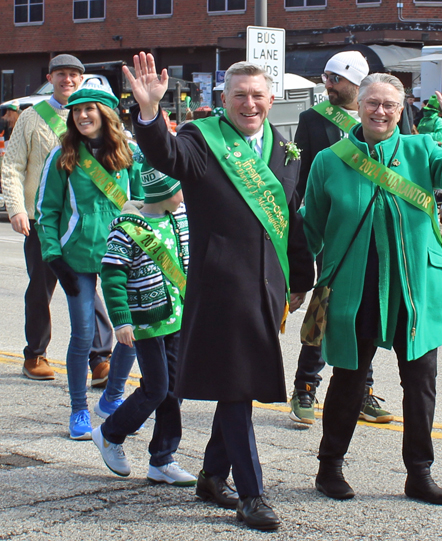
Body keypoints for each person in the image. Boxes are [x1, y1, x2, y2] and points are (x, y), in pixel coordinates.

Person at [126, 52, 314, 531]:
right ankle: (252, 495)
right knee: (237, 387)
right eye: (239, 96)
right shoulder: (200, 138)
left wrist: (299, 277)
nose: (249, 104)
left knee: (241, 386)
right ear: (222, 99)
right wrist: (150, 115)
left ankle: (212, 475)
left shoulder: (283, 146)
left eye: (257, 96)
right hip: (222, 287)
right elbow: (166, 156)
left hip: (268, 289)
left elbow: (289, 215)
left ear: (271, 99)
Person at [301, 73, 442, 505]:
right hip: (354, 287)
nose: (380, 111)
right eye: (372, 103)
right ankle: (329, 469)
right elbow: (311, 229)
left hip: (414, 289)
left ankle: (419, 473)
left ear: (402, 110)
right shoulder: (329, 160)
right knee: (349, 380)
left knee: (420, 382)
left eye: (390, 105)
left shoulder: (421, 149)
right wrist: (298, 282)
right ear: (358, 106)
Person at [35, 84, 143, 439]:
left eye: (89, 110)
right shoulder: (62, 155)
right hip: (76, 258)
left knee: (130, 332)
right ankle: (78, 410)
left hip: (120, 256)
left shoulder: (129, 154)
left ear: (105, 114)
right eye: (76, 111)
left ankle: (112, 398)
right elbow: (46, 211)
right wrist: (54, 257)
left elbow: (142, 203)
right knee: (83, 334)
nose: (81, 116)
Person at [291, 50, 393, 426]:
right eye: (326, 77)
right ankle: (305, 386)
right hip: (333, 232)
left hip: (375, 233)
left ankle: (362, 391)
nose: (327, 85)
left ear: (356, 84)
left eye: (335, 79)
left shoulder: (384, 113)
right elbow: (303, 182)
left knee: (366, 315)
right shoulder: (312, 120)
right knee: (326, 308)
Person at [1, 54, 113, 384]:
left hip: (82, 221)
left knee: (87, 288)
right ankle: (35, 354)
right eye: (61, 74)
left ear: (82, 79)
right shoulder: (32, 117)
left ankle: (100, 358)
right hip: (43, 220)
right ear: (50, 78)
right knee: (41, 288)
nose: (68, 80)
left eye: (74, 75)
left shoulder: (94, 114)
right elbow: (13, 166)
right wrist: (17, 208)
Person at [93, 160, 196, 486]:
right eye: (178, 189)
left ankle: (162, 459)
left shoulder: (179, 217)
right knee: (155, 389)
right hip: (146, 322)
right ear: (164, 191)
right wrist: (121, 321)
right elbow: (111, 276)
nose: (183, 195)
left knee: (174, 391)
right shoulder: (126, 227)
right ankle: (110, 433)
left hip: (177, 319)